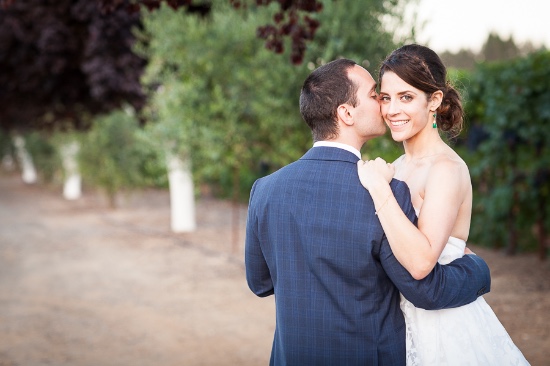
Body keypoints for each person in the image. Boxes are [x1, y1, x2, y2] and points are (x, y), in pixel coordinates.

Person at [245, 58, 491, 365]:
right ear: (346, 113)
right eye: (378, 96)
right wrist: (478, 270)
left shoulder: (265, 189)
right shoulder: (386, 189)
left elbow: (260, 283)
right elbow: (423, 288)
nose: (384, 107)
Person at [357, 44, 530, 365]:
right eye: (385, 97)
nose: (392, 109)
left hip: (444, 329)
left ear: (434, 100)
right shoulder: (396, 167)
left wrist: (379, 189)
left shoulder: (446, 170)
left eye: (406, 97)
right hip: (398, 324)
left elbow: (422, 263)